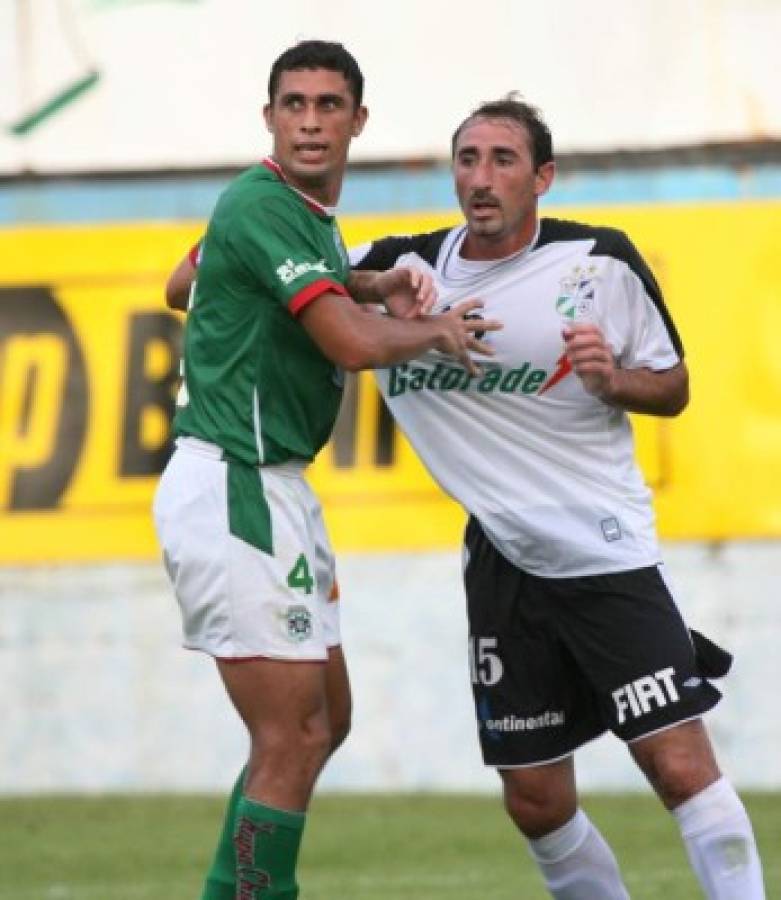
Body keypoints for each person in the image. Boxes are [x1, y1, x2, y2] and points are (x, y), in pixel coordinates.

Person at [348, 96, 766, 899]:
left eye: (503, 160)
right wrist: (371, 284)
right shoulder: (407, 267)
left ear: (542, 176)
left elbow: (673, 386)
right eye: (467, 159)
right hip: (502, 562)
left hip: (603, 550)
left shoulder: (599, 262)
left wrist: (614, 380)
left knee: (677, 764)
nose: (481, 177)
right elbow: (271, 280)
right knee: (535, 800)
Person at [153, 40, 497, 900]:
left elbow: (176, 282)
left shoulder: (285, 215)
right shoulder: (265, 203)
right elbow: (343, 342)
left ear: (357, 121)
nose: (311, 121)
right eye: (295, 104)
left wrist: (367, 282)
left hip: (274, 489)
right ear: (269, 117)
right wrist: (436, 331)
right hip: (235, 482)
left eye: (328, 105)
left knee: (324, 723)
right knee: (295, 736)